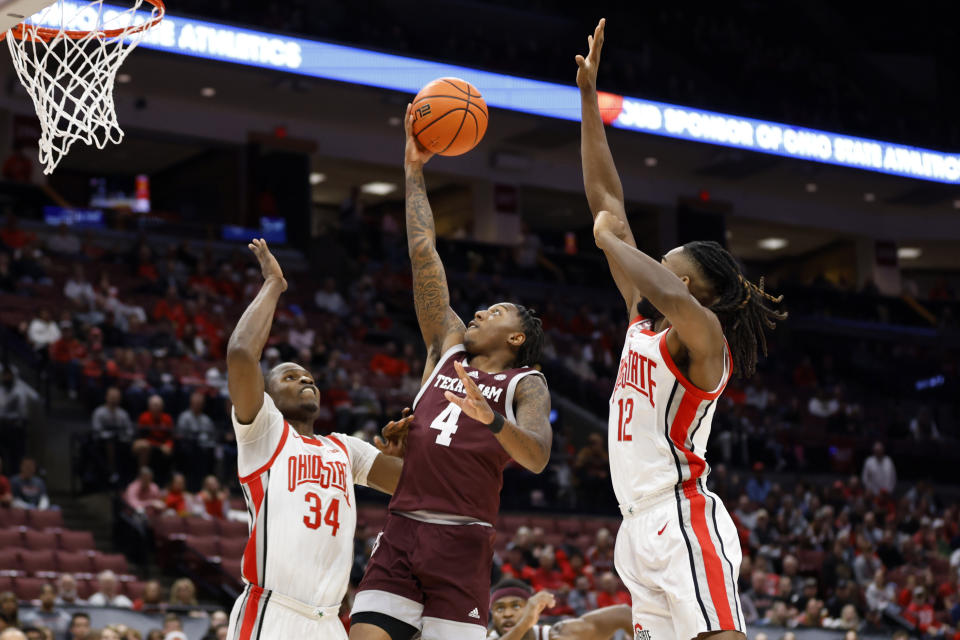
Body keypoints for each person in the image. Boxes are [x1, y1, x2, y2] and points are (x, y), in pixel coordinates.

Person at [577, 19, 786, 640]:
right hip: (635, 525)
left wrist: (609, 240)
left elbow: (652, 275)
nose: (656, 267)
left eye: (669, 263)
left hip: (682, 514)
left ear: (691, 286)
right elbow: (605, 197)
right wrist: (589, 101)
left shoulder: (703, 342)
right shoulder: (645, 322)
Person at [349, 107, 552, 640]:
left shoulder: (524, 384)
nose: (482, 311)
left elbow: (536, 456)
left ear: (517, 338)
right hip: (402, 530)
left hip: (464, 543)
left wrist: (493, 423)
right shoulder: (447, 347)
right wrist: (414, 170)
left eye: (498, 311)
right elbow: (424, 255)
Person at [224, 238, 412, 640]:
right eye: (290, 376)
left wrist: (407, 451)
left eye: (309, 376)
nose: (305, 378)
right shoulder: (265, 432)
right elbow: (241, 353)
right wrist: (274, 284)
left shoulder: (345, 447)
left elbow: (412, 484)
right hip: (273, 610)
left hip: (329, 621)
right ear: (268, 396)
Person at [487, 579, 632, 639]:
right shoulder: (480, 636)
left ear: (530, 608)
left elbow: (624, 613)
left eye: (516, 606)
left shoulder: (557, 634)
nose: (507, 614)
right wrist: (525, 622)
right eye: (499, 609)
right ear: (492, 614)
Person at [91, 387, 134, 484]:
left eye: (116, 397)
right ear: (106, 397)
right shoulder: (99, 412)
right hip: (101, 443)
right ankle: (111, 471)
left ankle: (125, 476)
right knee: (109, 442)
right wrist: (110, 435)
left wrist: (124, 437)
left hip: (121, 442)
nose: (114, 399)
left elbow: (129, 430)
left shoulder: (123, 414)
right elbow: (96, 430)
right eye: (112, 397)